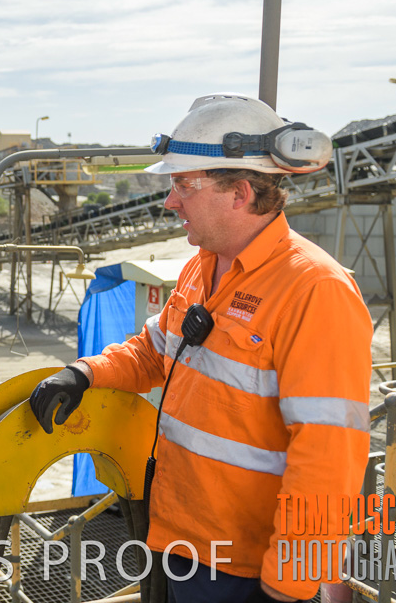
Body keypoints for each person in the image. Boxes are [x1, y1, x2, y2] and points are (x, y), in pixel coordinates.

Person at [30, 93, 372, 603]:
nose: (171, 202)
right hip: (180, 538)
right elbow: (154, 351)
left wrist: (289, 583)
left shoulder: (315, 290)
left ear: (239, 193)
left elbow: (329, 455)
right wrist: (85, 372)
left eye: (183, 185)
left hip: (246, 568)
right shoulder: (202, 266)